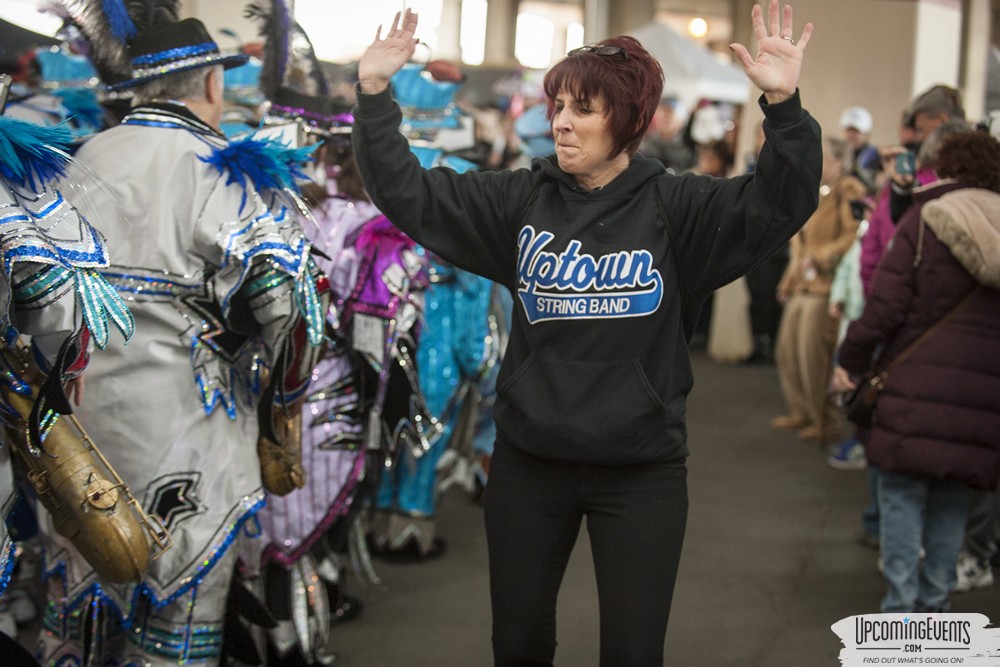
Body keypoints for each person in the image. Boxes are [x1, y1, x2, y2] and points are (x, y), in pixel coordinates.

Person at [351, 2, 819, 663]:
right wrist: (373, 94)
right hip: (529, 464)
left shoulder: (676, 209)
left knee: (632, 652)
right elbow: (411, 195)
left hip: (641, 472)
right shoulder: (520, 201)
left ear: (627, 122)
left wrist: (784, 108)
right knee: (518, 645)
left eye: (583, 109)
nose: (562, 122)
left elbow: (780, 202)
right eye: (558, 105)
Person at [34, 14, 324, 665]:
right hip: (190, 449)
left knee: (76, 626)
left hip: (77, 446)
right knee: (175, 632)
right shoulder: (226, 172)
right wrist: (279, 415)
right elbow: (297, 322)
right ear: (215, 82)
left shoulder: (76, 161)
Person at [832, 129, 1000, 613]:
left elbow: (884, 307)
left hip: (913, 388)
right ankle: (936, 609)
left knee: (902, 496)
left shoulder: (927, 220)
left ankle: (901, 610)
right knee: (951, 500)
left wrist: (851, 361)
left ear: (943, 167)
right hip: (982, 397)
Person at [771, 137, 865, 444]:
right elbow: (799, 242)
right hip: (802, 285)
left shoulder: (848, 189)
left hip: (826, 287)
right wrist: (788, 280)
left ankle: (825, 421)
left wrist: (822, 258)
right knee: (787, 351)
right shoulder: (814, 190)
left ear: (839, 160)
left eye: (823, 156)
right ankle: (802, 412)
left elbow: (854, 236)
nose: (817, 162)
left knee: (815, 357)